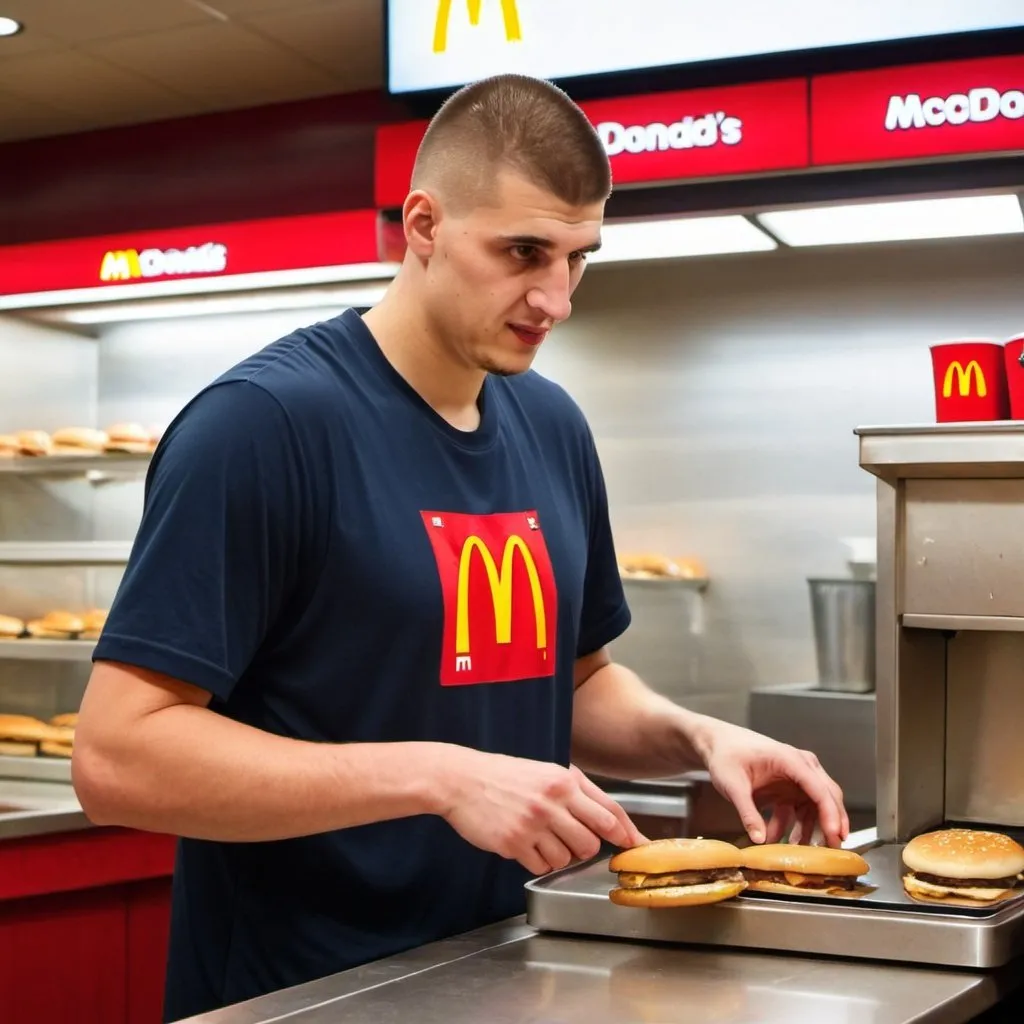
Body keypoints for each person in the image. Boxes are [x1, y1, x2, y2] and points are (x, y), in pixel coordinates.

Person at [73, 73, 849, 1022]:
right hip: (306, 991)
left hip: (508, 971)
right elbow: (117, 758)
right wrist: (437, 776)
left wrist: (699, 739)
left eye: (578, 258)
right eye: (523, 251)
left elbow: (571, 684)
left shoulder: (552, 425)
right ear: (424, 226)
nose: (555, 298)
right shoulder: (264, 426)